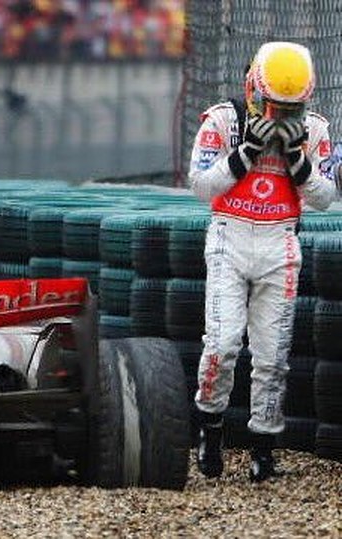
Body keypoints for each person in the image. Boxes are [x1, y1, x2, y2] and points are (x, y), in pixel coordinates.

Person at [188, 41, 338, 482]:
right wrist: (246, 153)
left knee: (273, 356)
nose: (281, 116)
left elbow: (325, 198)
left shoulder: (315, 129)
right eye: (274, 106)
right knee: (222, 344)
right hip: (229, 238)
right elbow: (201, 185)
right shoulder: (223, 120)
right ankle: (210, 426)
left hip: (281, 243)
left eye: (291, 109)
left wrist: (297, 160)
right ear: (254, 89)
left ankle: (264, 447)